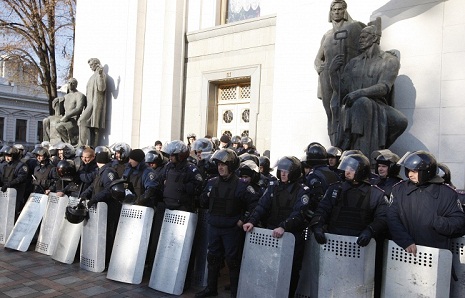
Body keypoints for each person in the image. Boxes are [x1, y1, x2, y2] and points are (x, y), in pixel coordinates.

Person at [329, 20, 408, 157]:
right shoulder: (353, 63)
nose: (360, 40)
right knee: (361, 103)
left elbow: (384, 87)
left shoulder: (389, 60)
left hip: (380, 106)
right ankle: (356, 148)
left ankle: (377, 147)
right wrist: (332, 73)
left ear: (375, 38)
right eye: (360, 37)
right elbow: (343, 91)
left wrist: (360, 93)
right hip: (354, 105)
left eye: (364, 37)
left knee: (401, 121)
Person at [243, 156, 315, 298]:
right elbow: (262, 205)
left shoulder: (302, 190)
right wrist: (252, 220)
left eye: (286, 171)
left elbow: (299, 213)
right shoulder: (273, 187)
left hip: (292, 237)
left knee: (291, 272)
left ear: (293, 172)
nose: (283, 173)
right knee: (269, 268)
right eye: (281, 170)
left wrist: (284, 227)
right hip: (273, 234)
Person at [196, 149, 258, 298]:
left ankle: (235, 293)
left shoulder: (241, 185)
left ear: (231, 166)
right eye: (218, 164)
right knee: (212, 258)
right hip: (214, 227)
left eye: (224, 164)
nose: (220, 167)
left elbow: (254, 204)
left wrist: (243, 219)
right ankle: (211, 289)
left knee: (232, 261)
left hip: (231, 229)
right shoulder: (212, 182)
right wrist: (208, 195)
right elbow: (202, 202)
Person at [387, 150, 465, 254]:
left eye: (414, 171)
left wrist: (436, 222)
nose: (410, 174)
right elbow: (392, 217)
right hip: (404, 252)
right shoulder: (399, 189)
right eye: (408, 170)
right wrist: (405, 241)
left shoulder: (447, 193)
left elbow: (459, 222)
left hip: (435, 253)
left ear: (426, 172)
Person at [314, 0, 365, 145]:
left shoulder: (354, 28)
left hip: (346, 74)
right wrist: (319, 66)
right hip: (327, 76)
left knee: (340, 107)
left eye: (339, 9)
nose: (336, 12)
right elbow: (318, 58)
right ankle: (334, 145)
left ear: (344, 11)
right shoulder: (327, 35)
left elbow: (365, 45)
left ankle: (346, 143)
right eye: (334, 10)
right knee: (329, 112)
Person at [310, 153, 388, 248]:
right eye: (346, 168)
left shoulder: (375, 193)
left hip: (360, 244)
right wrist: (317, 226)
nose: (347, 172)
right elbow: (322, 209)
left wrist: (370, 230)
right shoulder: (335, 189)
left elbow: (382, 217)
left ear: (361, 171)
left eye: (351, 169)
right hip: (334, 241)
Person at [80, 146, 119, 266]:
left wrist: (94, 199)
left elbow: (109, 189)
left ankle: (107, 261)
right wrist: (84, 195)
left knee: (108, 235)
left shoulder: (108, 172)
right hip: (100, 208)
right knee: (101, 234)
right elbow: (93, 185)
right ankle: (101, 258)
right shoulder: (101, 170)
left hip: (108, 208)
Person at [79, 58, 107, 147]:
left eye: (91, 65)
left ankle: (84, 145)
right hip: (89, 103)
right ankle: (88, 145)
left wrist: (100, 75)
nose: (90, 67)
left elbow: (101, 88)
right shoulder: (91, 77)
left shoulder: (101, 75)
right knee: (88, 124)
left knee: (83, 121)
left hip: (95, 104)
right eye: (90, 65)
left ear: (97, 64)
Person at [55, 78, 86, 145]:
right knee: (48, 121)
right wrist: (57, 103)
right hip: (65, 118)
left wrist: (67, 116)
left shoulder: (80, 95)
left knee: (59, 126)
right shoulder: (65, 96)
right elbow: (61, 111)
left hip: (74, 120)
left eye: (73, 83)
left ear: (76, 85)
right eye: (69, 83)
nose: (70, 84)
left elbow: (79, 109)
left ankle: (70, 144)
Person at [0, 146, 29, 218]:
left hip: (16, 192)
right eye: (6, 155)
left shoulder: (21, 165)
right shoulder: (3, 164)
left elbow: (21, 178)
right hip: (4, 191)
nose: (7, 157)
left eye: (9, 156)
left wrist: (9, 184)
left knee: (13, 213)